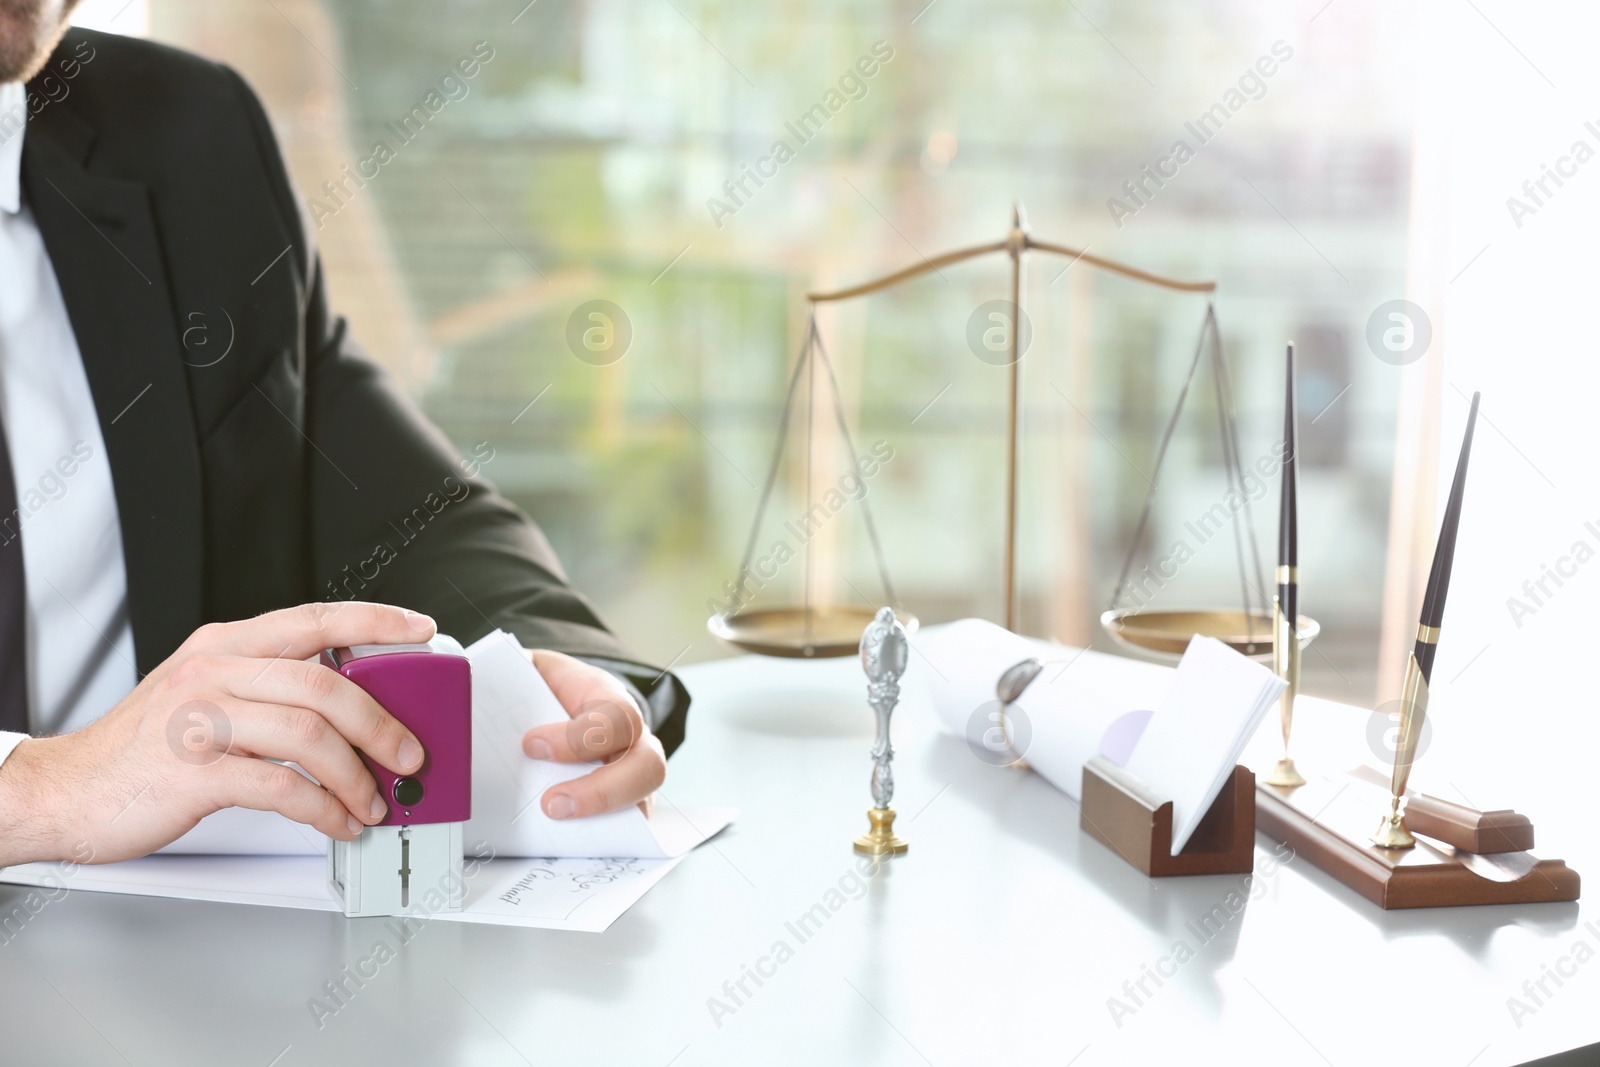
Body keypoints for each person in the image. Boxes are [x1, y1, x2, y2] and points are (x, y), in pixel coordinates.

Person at [0, 6, 684, 868]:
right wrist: (43, 793)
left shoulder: (186, 133)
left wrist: (564, 680)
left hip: (196, 961)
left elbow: (410, 511)